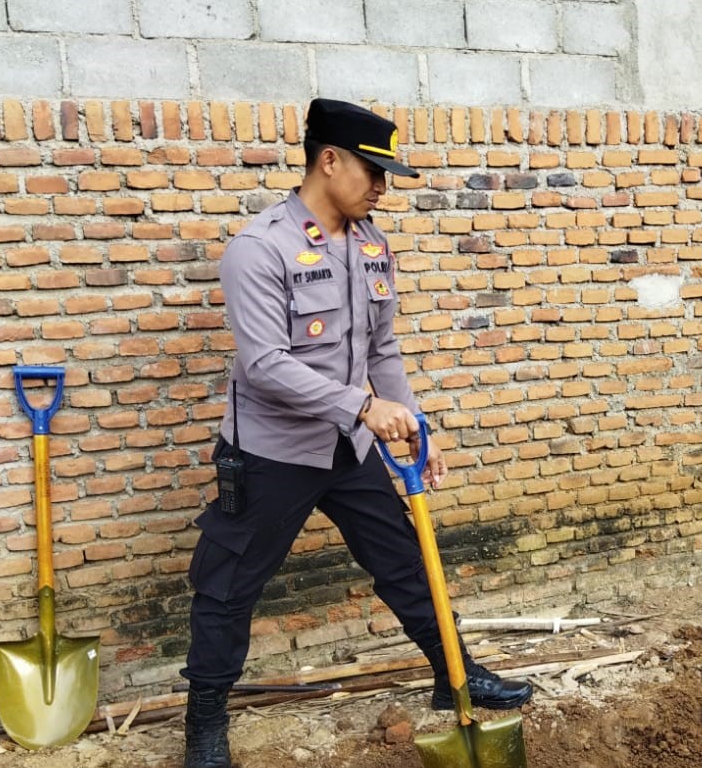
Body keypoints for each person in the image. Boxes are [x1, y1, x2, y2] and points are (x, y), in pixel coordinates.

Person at [181, 99, 532, 768]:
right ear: (329, 159)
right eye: (373, 172)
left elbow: (383, 349)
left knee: (406, 559)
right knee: (229, 587)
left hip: (349, 448)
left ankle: (456, 674)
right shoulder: (260, 249)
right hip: (270, 453)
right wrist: (363, 408)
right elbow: (265, 365)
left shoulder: (370, 243)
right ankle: (203, 722)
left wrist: (411, 424)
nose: (381, 188)